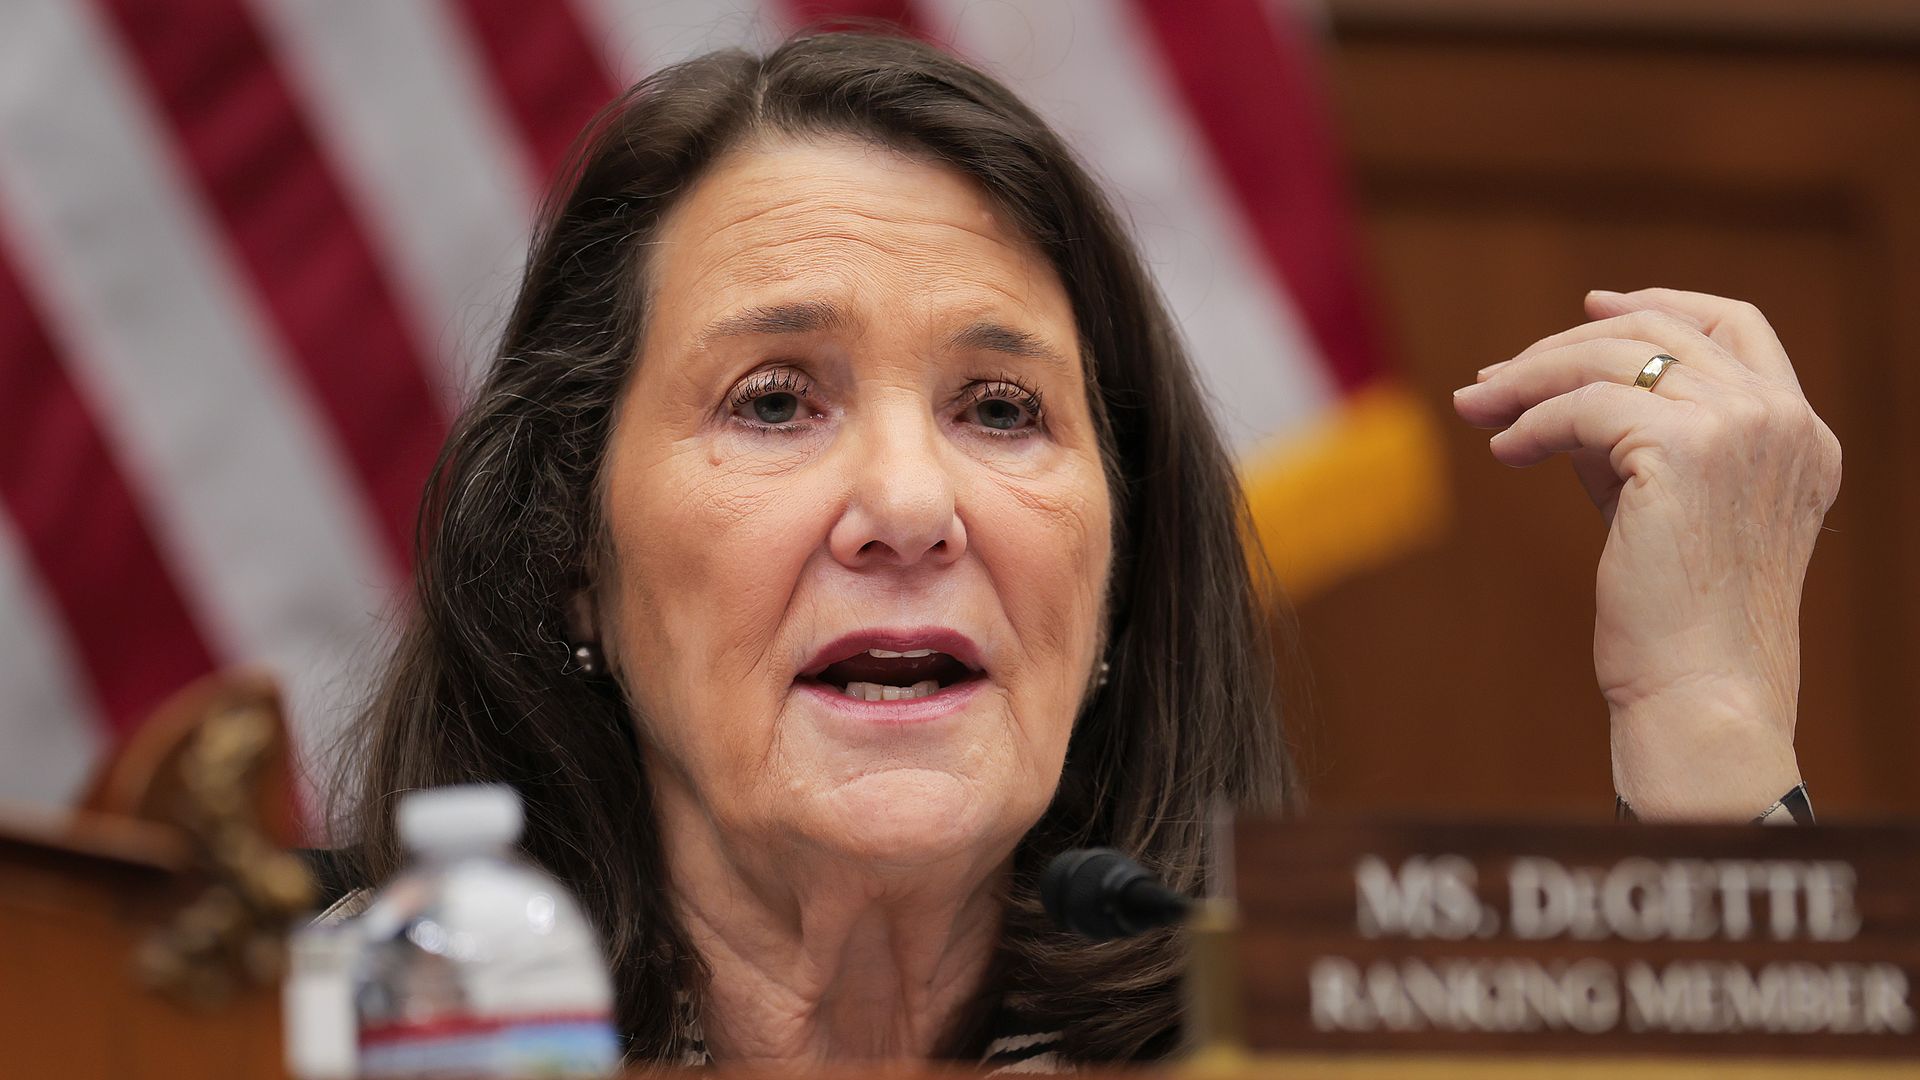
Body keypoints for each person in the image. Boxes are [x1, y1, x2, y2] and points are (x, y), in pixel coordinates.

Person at [317, 30, 1842, 1070]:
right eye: (774, 402)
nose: (909, 505)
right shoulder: (299, 1028)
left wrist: (1707, 718)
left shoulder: (1305, 1038)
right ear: (569, 557)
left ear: (1117, 583)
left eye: (1000, 409)